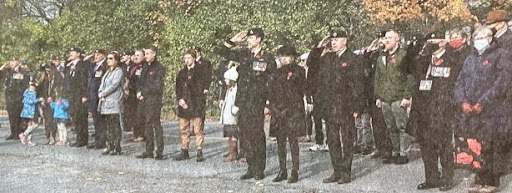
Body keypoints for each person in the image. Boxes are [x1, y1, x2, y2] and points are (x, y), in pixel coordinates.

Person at [455, 25, 512, 193]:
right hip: (470, 110)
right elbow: (460, 81)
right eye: (476, 39)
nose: (478, 42)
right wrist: (462, 101)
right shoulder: (470, 58)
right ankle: (479, 179)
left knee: (490, 146)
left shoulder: (501, 55)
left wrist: (483, 102)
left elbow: (502, 82)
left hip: (491, 111)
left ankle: (492, 181)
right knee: (475, 145)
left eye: (482, 39)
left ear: (490, 39)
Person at [309, 29, 364, 184]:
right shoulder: (327, 58)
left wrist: (357, 107)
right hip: (329, 105)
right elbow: (312, 64)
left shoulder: (353, 59)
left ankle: (346, 171)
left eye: (336, 40)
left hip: (346, 105)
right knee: (332, 139)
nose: (333, 43)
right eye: (331, 41)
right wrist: (320, 46)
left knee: (346, 139)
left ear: (344, 41)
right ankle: (336, 170)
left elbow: (358, 84)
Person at [220, 28, 277, 180]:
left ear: (259, 39)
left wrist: (268, 103)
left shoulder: (267, 58)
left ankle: (259, 168)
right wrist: (232, 41)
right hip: (243, 101)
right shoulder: (244, 55)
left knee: (256, 135)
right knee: (245, 135)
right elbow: (222, 52)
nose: (248, 40)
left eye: (251, 38)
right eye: (248, 38)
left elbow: (271, 82)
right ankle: (251, 167)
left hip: (257, 101)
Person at [374, 29, 414, 164]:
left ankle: (404, 153)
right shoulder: (382, 58)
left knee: (402, 126)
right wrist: (378, 96)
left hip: (398, 97)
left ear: (397, 40)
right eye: (385, 38)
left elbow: (410, 77)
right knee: (390, 127)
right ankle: (395, 151)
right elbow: (378, 78)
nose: (386, 41)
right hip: (385, 98)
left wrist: (407, 96)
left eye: (390, 38)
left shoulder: (404, 56)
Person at [269, 45, 306, 183]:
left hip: (293, 110)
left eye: (287, 56)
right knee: (280, 142)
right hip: (279, 111)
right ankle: (282, 170)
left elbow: (300, 90)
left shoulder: (299, 71)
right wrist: (272, 107)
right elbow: (271, 90)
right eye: (282, 56)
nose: (284, 59)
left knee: (293, 141)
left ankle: (294, 170)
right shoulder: (277, 72)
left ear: (293, 57)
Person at [174, 49, 206, 162]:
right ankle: (184, 150)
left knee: (198, 129)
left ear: (194, 58)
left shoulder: (200, 71)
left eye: (189, 58)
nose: (187, 60)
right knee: (184, 129)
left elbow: (200, 88)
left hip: (196, 104)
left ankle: (199, 151)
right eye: (185, 58)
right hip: (183, 104)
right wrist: (180, 100)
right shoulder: (181, 73)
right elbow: (177, 88)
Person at [135, 45, 166, 160]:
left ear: (154, 54)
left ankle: (159, 151)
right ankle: (149, 150)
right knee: (146, 125)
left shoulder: (159, 68)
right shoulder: (144, 67)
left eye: (148, 54)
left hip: (153, 100)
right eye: (145, 54)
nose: (146, 56)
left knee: (155, 124)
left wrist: (143, 92)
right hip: (144, 99)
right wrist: (138, 91)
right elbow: (140, 82)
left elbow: (157, 86)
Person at [98, 52, 125, 155]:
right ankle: (110, 145)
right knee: (108, 126)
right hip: (105, 102)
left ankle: (117, 147)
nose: (108, 60)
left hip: (114, 101)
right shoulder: (107, 72)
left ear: (116, 60)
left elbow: (114, 85)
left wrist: (103, 93)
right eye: (108, 59)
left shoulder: (118, 72)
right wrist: (100, 93)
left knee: (115, 125)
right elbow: (102, 83)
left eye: (111, 58)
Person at [65, 48, 90, 148]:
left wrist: (84, 95)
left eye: (73, 52)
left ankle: (83, 139)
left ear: (78, 54)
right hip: (72, 94)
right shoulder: (69, 65)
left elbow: (84, 80)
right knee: (74, 117)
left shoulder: (82, 64)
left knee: (81, 117)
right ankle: (78, 138)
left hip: (79, 94)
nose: (71, 54)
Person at [1, 57, 29, 140]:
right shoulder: (7, 71)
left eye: (14, 61)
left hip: (18, 96)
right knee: (11, 115)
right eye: (11, 61)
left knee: (18, 115)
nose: (12, 63)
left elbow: (25, 81)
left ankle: (19, 133)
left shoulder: (22, 70)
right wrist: (3, 66)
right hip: (9, 96)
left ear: (18, 62)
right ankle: (13, 132)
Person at [87, 49, 108, 150]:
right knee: (95, 119)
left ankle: (102, 141)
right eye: (95, 54)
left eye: (98, 55)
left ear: (104, 55)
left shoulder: (105, 65)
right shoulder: (93, 65)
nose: (96, 56)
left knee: (101, 120)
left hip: (100, 95)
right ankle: (97, 140)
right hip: (92, 95)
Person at [219, 67, 239, 162]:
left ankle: (233, 153)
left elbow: (236, 103)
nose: (225, 81)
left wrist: (233, 111)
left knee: (233, 135)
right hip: (228, 116)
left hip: (232, 116)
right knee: (230, 135)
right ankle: (232, 151)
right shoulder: (229, 89)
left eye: (227, 79)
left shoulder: (235, 90)